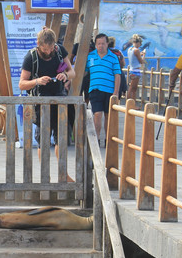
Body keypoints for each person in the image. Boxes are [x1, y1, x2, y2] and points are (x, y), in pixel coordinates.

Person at [18, 27, 76, 176]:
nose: (49, 52)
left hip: (60, 99)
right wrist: (37, 81)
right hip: (41, 103)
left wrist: (65, 75)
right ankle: (45, 175)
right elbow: (22, 84)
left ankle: (63, 175)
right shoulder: (31, 57)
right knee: (43, 140)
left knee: (61, 139)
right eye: (45, 49)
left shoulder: (59, 50)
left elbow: (72, 72)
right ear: (38, 44)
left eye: (51, 48)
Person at [85, 33, 121, 144]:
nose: (101, 46)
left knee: (108, 116)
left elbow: (117, 75)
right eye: (99, 44)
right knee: (97, 114)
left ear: (107, 44)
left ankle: (107, 140)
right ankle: (96, 140)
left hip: (109, 90)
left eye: (103, 43)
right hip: (95, 89)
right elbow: (85, 72)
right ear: (95, 45)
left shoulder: (113, 57)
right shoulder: (90, 56)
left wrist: (116, 92)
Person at [126, 34, 147, 103]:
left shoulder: (130, 49)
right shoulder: (136, 50)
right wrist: (144, 55)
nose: (140, 45)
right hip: (136, 70)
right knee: (133, 88)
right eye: (140, 43)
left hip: (131, 69)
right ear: (138, 43)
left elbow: (134, 56)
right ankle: (130, 103)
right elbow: (141, 61)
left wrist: (140, 54)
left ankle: (131, 103)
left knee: (132, 87)